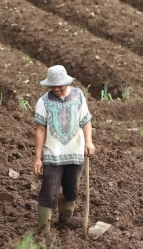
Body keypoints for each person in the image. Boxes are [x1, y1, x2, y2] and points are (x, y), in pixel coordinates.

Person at [33, 65, 96, 235]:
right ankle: (43, 230)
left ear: (66, 83)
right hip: (53, 155)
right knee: (48, 191)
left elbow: (85, 120)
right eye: (52, 86)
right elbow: (40, 130)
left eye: (59, 85)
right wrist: (38, 158)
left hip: (75, 154)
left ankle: (65, 222)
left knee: (71, 190)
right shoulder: (44, 101)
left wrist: (89, 142)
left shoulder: (78, 96)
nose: (56, 89)